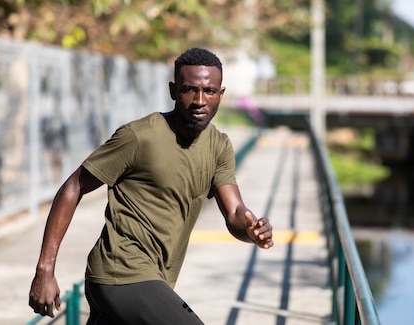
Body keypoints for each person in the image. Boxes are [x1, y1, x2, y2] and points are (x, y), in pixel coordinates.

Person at [28, 47, 274, 324]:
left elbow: (235, 213)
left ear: (221, 94)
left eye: (210, 91)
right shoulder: (139, 136)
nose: (200, 100)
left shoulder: (219, 146)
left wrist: (252, 231)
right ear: (173, 90)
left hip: (156, 278)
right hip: (120, 273)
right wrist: (45, 269)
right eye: (189, 90)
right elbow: (73, 186)